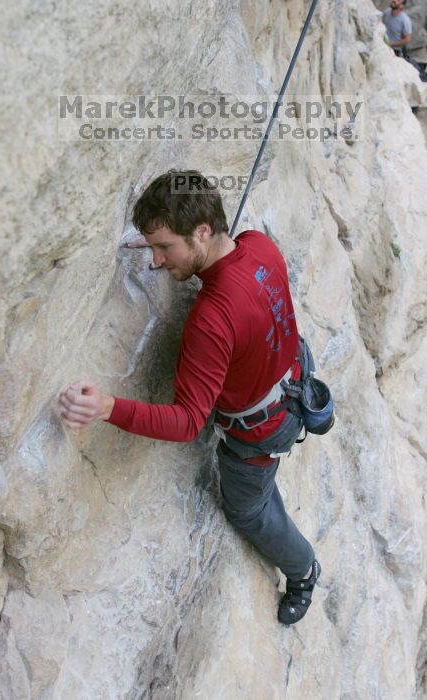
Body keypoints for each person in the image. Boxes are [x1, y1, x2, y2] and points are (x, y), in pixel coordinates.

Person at [59, 170, 321, 626]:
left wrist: (108, 408)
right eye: (153, 246)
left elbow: (186, 422)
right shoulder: (256, 244)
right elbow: (231, 278)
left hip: (262, 428)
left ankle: (303, 571)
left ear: (202, 231)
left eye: (165, 247)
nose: (157, 261)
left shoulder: (210, 321)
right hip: (294, 373)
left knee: (248, 508)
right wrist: (170, 240)